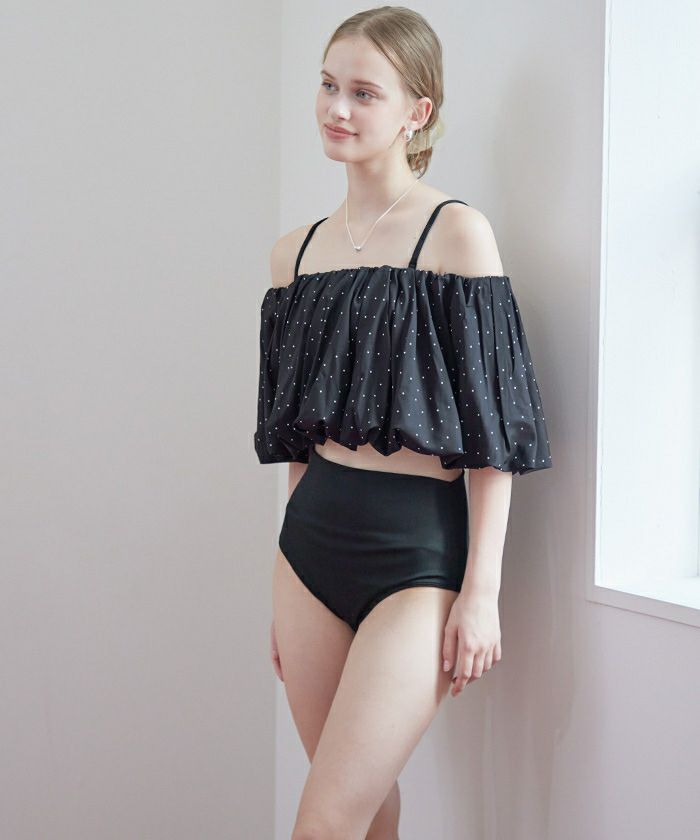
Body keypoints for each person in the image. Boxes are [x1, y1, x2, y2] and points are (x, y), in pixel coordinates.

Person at [253, 7, 553, 839]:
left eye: (363, 93)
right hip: (307, 554)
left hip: (418, 556)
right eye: (328, 85)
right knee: (366, 807)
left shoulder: (456, 235)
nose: (335, 108)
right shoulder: (293, 256)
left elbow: (496, 438)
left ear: (416, 112)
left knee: (324, 821)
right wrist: (286, 584)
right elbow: (296, 439)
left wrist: (481, 594)